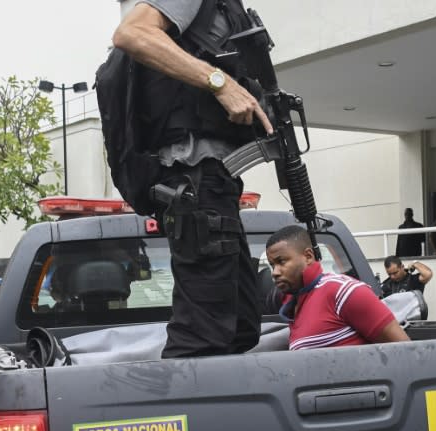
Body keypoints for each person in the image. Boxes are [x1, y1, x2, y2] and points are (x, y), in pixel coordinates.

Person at [112, 0, 275, 358]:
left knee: (241, 325)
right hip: (196, 184)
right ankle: (179, 413)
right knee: (203, 336)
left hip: (214, 182)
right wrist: (220, 83)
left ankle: (217, 412)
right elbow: (132, 32)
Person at [266, 225, 409, 350]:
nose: (275, 272)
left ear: (308, 256)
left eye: (282, 261)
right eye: (272, 265)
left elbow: (405, 352)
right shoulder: (293, 302)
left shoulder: (346, 292)